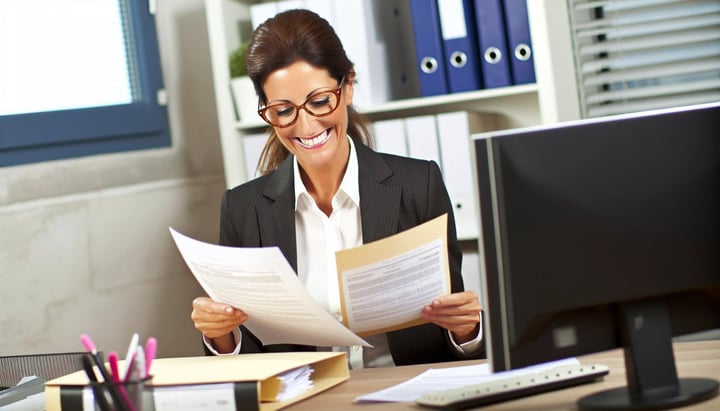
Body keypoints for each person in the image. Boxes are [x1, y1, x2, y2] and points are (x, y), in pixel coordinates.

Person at [191, 9, 483, 368]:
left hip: (405, 392)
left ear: (347, 87)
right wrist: (221, 333)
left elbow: (448, 334)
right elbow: (247, 361)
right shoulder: (242, 209)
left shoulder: (418, 186)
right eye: (284, 110)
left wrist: (466, 331)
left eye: (318, 101)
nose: (306, 125)